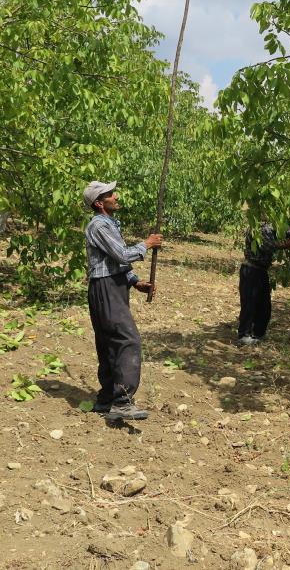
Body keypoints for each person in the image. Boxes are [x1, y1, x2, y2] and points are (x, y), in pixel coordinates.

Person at [83, 180, 162, 422]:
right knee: (128, 340)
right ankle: (122, 401)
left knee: (109, 340)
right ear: (99, 203)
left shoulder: (108, 223)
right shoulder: (99, 225)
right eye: (110, 194)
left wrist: (134, 281)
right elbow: (122, 254)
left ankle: (106, 399)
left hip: (110, 285)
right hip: (106, 287)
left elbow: (114, 262)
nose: (116, 196)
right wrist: (146, 244)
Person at [237, 219, 290, 346]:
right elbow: (267, 245)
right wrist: (284, 245)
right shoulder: (257, 228)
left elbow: (284, 232)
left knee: (264, 305)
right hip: (251, 270)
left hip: (260, 270)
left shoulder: (270, 227)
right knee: (249, 303)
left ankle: (257, 333)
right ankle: (243, 335)